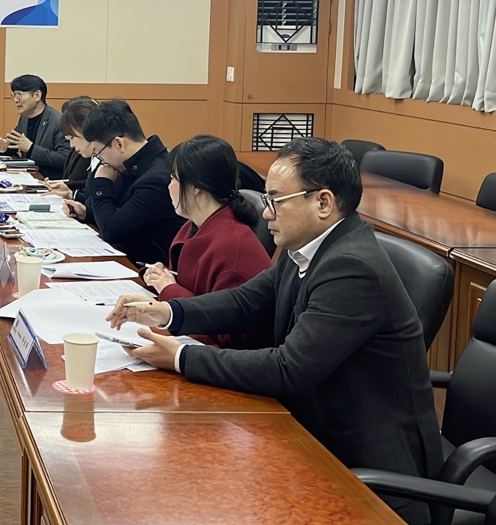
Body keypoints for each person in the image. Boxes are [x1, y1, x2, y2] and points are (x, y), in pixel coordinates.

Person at [106, 137, 441, 524]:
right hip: (311, 431)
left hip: (365, 471)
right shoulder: (309, 248)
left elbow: (289, 369)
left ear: (323, 202)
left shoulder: (352, 267)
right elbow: (244, 302)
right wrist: (165, 312)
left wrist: (181, 356)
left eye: (276, 201)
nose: (266, 214)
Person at [141, 134, 272, 349]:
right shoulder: (197, 224)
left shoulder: (232, 244)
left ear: (196, 187)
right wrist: (162, 276)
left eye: (173, 178)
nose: (168, 185)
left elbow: (225, 334)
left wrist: (168, 288)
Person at [63, 98, 183, 265]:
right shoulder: (131, 164)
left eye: (99, 151)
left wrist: (101, 183)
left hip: (144, 270)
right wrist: (87, 213)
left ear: (119, 144)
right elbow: (123, 214)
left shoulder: (156, 178)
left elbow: (112, 230)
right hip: (124, 259)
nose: (101, 159)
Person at [0, 74, 71, 180]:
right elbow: (17, 143)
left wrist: (31, 148)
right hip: (28, 177)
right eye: (13, 96)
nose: (16, 100)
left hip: (48, 180)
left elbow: (65, 159)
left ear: (37, 95)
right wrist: (5, 147)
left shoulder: (58, 121)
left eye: (19, 95)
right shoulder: (24, 118)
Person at [43, 96, 97, 198]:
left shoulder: (107, 161)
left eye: (72, 137)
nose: (71, 144)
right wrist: (71, 194)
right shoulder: (85, 151)